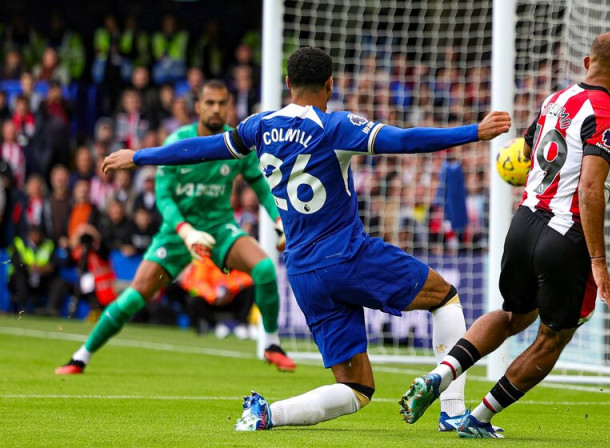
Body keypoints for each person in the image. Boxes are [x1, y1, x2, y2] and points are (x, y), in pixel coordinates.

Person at [101, 47, 511, 432]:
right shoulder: (335, 126)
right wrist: (473, 132)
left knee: (357, 388)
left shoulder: (258, 126)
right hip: (347, 255)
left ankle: (267, 414)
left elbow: (201, 148)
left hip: (302, 272)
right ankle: (453, 412)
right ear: (330, 85)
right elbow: (403, 141)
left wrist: (138, 156)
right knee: (443, 296)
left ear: (287, 82)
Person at [398, 31, 610, 439]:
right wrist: (598, 262)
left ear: (585, 63)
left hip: (524, 224)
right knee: (552, 338)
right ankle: (479, 418)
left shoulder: (555, 100)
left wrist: (606, 174)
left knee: (513, 315)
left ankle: (441, 375)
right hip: (565, 234)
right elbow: (588, 189)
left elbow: (529, 154)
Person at [56, 80, 295, 375]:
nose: (216, 109)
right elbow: (164, 197)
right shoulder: (177, 142)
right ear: (197, 107)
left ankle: (270, 344)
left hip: (219, 228)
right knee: (134, 295)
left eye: (222, 103)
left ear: (229, 106)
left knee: (265, 269)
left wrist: (278, 219)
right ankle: (82, 356)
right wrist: (186, 231)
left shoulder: (235, 145)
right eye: (210, 102)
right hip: (176, 232)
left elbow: (259, 183)